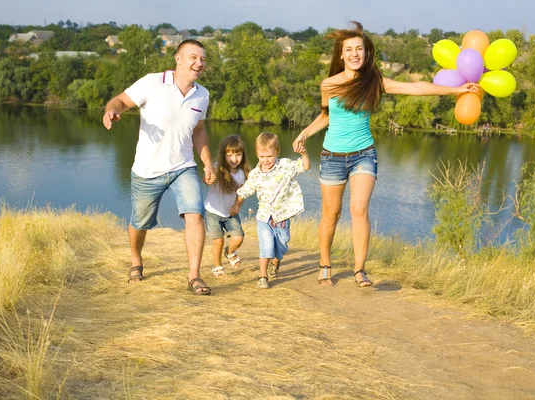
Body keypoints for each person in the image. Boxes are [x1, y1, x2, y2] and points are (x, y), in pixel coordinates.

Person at [292, 21, 480, 287]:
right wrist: (305, 133)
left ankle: (359, 270)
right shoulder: (329, 84)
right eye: (349, 49)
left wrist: (455, 90)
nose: (355, 54)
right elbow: (326, 115)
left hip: (363, 155)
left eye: (360, 49)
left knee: (359, 209)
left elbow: (415, 89)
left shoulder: (375, 81)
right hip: (332, 156)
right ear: (341, 55)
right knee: (330, 215)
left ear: (367, 53)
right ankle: (325, 264)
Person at [102, 39, 216, 295]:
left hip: (183, 167)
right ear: (178, 58)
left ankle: (194, 276)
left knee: (195, 215)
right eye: (193, 57)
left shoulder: (202, 94)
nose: (199, 63)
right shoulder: (153, 82)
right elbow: (119, 100)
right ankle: (135, 259)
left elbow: (199, 131)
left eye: (203, 59)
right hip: (147, 170)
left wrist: (207, 163)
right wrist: (112, 112)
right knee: (140, 223)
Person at [234, 132, 310, 289]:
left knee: (282, 244)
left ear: (277, 152)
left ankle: (276, 260)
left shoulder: (286, 166)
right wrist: (236, 205)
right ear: (257, 154)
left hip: (282, 216)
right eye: (262, 157)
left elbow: (305, 165)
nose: (265, 160)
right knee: (266, 245)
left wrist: (304, 153)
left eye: (269, 156)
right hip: (264, 217)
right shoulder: (255, 174)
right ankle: (263, 276)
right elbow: (245, 191)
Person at [204, 135, 251, 278]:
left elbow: (243, 193)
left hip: (231, 212)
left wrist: (238, 205)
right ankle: (218, 267)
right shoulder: (218, 168)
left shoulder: (244, 174)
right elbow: (208, 177)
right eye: (229, 155)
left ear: (243, 155)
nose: (234, 159)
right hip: (213, 212)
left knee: (238, 237)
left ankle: (229, 252)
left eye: (238, 154)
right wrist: (208, 178)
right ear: (223, 155)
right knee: (218, 241)